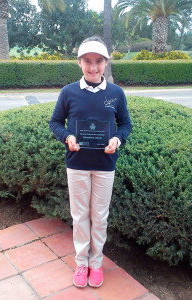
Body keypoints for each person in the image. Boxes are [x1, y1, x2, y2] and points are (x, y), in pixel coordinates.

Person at [49, 36, 132, 288]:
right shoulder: (69, 92)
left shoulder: (116, 93)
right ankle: (81, 262)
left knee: (99, 215)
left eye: (98, 61)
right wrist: (67, 137)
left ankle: (96, 263)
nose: (93, 67)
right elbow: (55, 123)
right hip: (77, 163)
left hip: (105, 165)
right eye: (87, 61)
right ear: (79, 63)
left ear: (106, 63)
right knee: (80, 215)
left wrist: (118, 139)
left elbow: (126, 124)